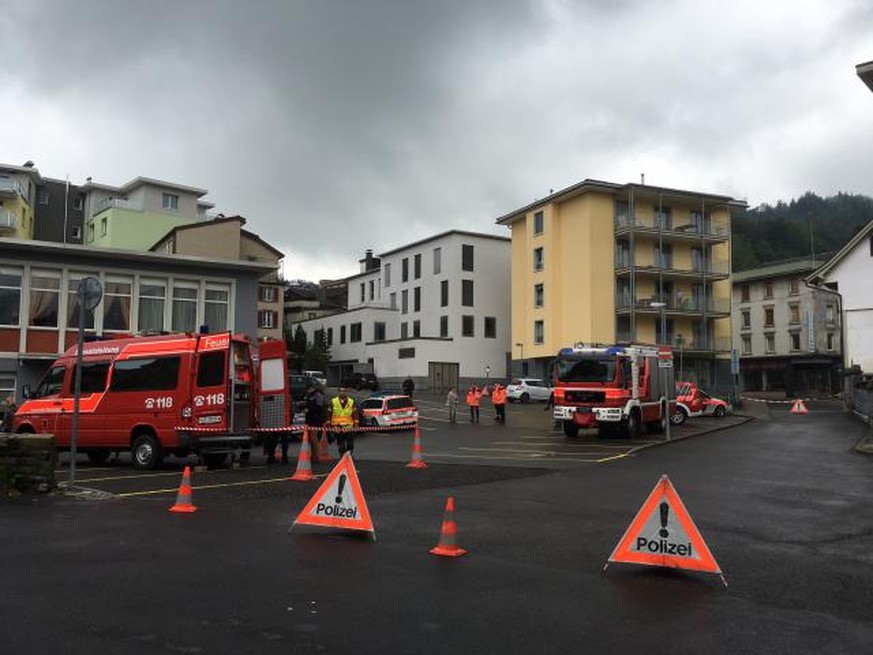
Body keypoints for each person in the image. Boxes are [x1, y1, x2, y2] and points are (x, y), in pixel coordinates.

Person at [328, 387, 359, 456]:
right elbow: (329, 414)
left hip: (349, 426)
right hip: (338, 426)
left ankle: (349, 455)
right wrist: (329, 424)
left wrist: (356, 423)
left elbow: (355, 413)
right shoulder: (333, 401)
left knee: (350, 442)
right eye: (341, 391)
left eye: (344, 391)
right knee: (340, 442)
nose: (342, 393)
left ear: (346, 392)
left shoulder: (351, 402)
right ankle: (342, 456)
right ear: (338, 392)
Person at [303, 382, 327, 463]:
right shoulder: (310, 395)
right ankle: (313, 456)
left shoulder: (318, 395)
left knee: (314, 439)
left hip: (316, 419)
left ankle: (316, 456)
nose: (307, 391)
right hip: (311, 419)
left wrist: (309, 409)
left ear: (311, 388)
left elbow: (319, 406)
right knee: (312, 439)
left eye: (308, 390)